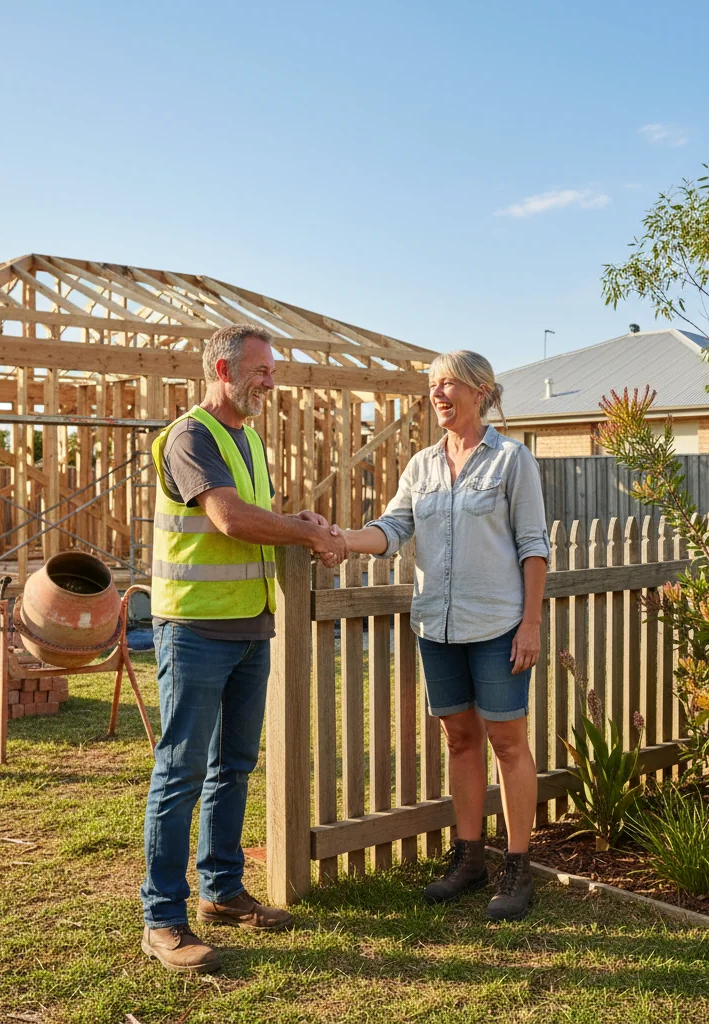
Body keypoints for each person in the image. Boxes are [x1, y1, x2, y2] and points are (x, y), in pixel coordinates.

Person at [140, 323, 347, 973]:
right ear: (224, 371)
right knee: (180, 773)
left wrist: (300, 524)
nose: (272, 378)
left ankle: (222, 891)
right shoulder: (192, 435)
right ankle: (163, 918)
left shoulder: (248, 438)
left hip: (249, 626)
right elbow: (230, 519)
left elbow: (261, 523)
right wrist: (305, 531)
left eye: (273, 368)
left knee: (232, 767)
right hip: (196, 629)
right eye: (261, 369)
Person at [330, 350, 548, 920]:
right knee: (459, 740)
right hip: (438, 626)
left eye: (449, 384)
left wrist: (531, 624)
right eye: (432, 386)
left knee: (507, 743)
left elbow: (533, 546)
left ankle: (518, 867)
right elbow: (392, 529)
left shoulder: (511, 460)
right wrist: (339, 539)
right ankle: (470, 857)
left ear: (481, 391)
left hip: (498, 627)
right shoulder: (421, 466)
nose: (438, 394)